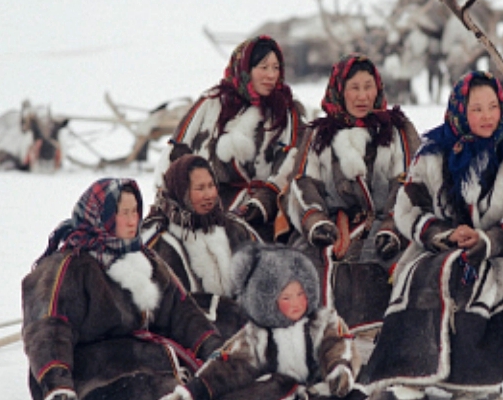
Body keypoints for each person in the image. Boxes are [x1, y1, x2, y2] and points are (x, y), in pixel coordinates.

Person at [360, 71, 503, 400]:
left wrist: (489, 239)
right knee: (415, 276)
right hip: (440, 247)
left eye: (493, 107)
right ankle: (411, 374)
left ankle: (474, 381)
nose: (487, 116)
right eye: (476, 108)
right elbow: (409, 204)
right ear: (460, 110)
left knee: (482, 282)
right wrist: (444, 233)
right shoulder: (434, 151)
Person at [156, 242, 409, 400]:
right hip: (272, 388)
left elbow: (337, 344)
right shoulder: (258, 332)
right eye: (286, 298)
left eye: (301, 294)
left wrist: (338, 370)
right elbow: (230, 364)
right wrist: (196, 391)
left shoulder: (321, 320)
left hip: (313, 389)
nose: (296, 303)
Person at [21, 178, 224, 400]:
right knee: (159, 393)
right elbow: (48, 327)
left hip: (141, 361)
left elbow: (181, 310)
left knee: (205, 384)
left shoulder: (144, 259)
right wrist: (56, 383)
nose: (132, 221)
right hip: (89, 375)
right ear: (102, 217)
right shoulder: (69, 266)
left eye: (135, 211)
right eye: (122, 213)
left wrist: (212, 348)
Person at [279, 54, 420, 332]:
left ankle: (400, 335)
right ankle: (318, 336)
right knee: (305, 264)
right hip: (332, 227)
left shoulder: (397, 131)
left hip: (388, 225)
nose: (362, 96)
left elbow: (408, 183)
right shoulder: (319, 135)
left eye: (368, 87)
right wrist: (316, 221)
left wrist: (393, 226)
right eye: (354, 88)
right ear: (339, 90)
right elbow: (303, 182)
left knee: (409, 264)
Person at [155, 35, 307, 242]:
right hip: (203, 205)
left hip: (261, 212)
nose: (271, 75)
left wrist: (261, 203)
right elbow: (177, 152)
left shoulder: (287, 111)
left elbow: (290, 161)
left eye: (276, 67)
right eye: (263, 67)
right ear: (245, 68)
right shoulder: (210, 104)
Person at [142, 154, 260, 337]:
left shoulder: (234, 229)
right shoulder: (159, 241)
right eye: (199, 188)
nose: (209, 195)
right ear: (182, 191)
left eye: (211, 185)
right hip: (191, 338)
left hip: (244, 332)